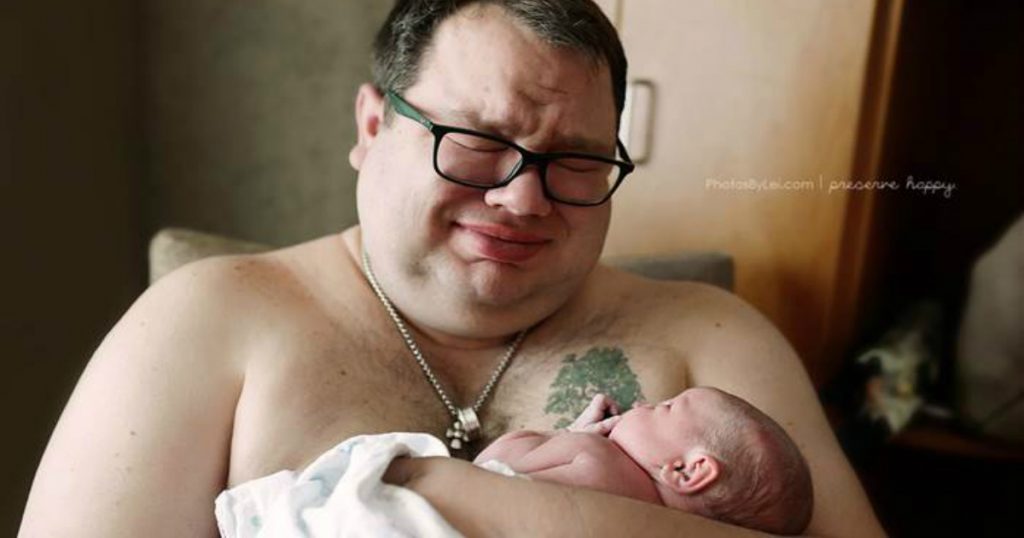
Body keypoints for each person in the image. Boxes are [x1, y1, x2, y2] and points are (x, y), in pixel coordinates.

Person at [19, 1, 884, 536]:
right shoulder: (203, 319)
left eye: (576, 161)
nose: (523, 199)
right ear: (371, 128)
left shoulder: (712, 335)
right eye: (477, 143)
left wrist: (443, 492)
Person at [475, 389, 814, 535]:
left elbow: (488, 469)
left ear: (686, 470)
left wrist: (566, 435)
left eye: (662, 408)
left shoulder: (596, 458)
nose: (640, 403)